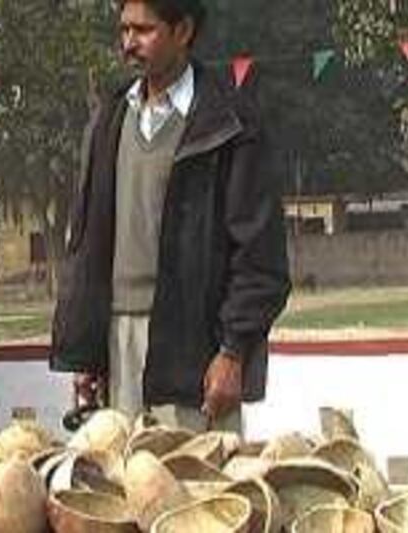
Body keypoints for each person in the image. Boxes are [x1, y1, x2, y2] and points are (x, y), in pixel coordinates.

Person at [51, 0, 290, 433]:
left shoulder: (230, 122)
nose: (128, 43)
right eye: (124, 30)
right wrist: (86, 351)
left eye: (143, 30)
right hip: (116, 340)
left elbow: (261, 256)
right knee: (120, 486)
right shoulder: (110, 117)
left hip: (194, 348)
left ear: (183, 31)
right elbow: (86, 240)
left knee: (195, 493)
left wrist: (233, 352)